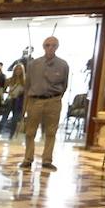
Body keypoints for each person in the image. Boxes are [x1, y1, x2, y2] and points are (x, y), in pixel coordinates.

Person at [20, 36, 70, 171]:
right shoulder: (33, 64)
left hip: (53, 101)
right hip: (35, 100)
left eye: (53, 45)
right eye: (47, 45)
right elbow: (27, 85)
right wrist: (25, 106)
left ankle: (47, 160)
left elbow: (64, 84)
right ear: (43, 47)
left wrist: (56, 97)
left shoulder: (63, 65)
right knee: (30, 132)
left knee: (51, 132)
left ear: (57, 47)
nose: (50, 48)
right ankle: (28, 158)